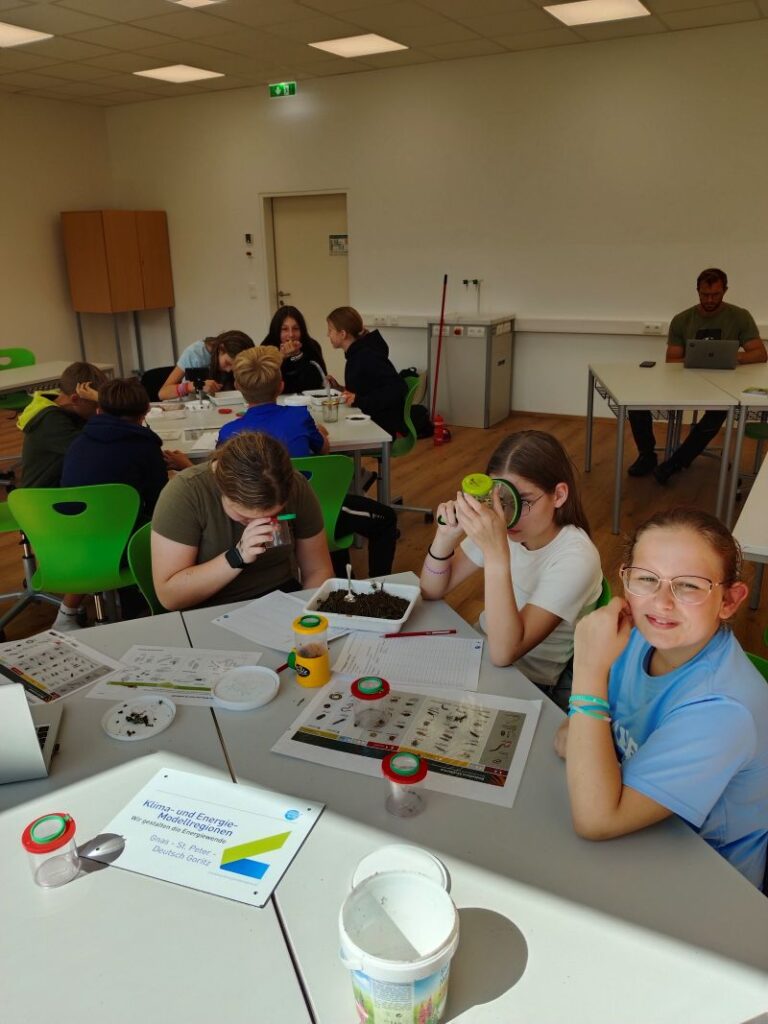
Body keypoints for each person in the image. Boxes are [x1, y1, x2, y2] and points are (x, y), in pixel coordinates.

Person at [554, 507, 768, 888]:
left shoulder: (724, 712)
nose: (662, 602)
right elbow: (565, 736)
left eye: (689, 585)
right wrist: (598, 765)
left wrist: (588, 670)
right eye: (647, 579)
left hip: (706, 879)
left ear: (730, 600)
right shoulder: (637, 636)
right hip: (641, 834)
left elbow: (596, 819)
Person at [420, 430, 603, 707]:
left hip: (528, 681)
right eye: (502, 498)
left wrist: (496, 553)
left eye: (524, 501)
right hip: (480, 651)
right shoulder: (502, 523)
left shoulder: (576, 558)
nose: (510, 514)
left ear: (559, 495)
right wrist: (445, 536)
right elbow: (432, 590)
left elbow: (505, 652)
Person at [220, 347, 398, 578]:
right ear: (281, 385)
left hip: (258, 527)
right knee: (386, 519)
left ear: (238, 388)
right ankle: (378, 585)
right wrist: (318, 432)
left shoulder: (228, 434)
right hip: (312, 513)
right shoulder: (299, 417)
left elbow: (220, 480)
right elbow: (323, 450)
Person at [151, 431, 333, 610]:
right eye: (245, 517)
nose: (261, 524)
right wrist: (238, 556)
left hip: (280, 599)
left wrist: (307, 616)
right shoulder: (186, 493)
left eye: (274, 514)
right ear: (221, 489)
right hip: (208, 608)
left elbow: (318, 570)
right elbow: (170, 597)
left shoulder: (295, 485)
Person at [627, 268, 766, 483]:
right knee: (636, 402)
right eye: (704, 294)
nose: (709, 299)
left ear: (725, 291)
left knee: (718, 412)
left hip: (725, 383)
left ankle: (676, 462)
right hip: (684, 381)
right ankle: (647, 454)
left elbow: (760, 353)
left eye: (716, 294)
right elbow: (672, 359)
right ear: (698, 291)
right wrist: (697, 360)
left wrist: (730, 357)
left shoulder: (739, 316)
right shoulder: (682, 319)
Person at [61, 377, 190, 526]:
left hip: (73, 533)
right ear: (144, 413)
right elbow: (159, 502)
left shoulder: (77, 443)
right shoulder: (144, 445)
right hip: (124, 534)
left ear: (98, 411)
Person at [19, 361, 108, 488]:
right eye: (96, 404)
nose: (99, 410)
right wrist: (107, 408)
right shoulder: (50, 421)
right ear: (75, 399)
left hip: (63, 488)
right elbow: (93, 450)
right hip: (43, 498)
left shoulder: (72, 409)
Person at [326, 307, 406, 438]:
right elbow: (366, 389)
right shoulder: (356, 355)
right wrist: (340, 389)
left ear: (342, 334)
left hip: (379, 427)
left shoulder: (367, 356)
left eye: (330, 330)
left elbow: (398, 388)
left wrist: (359, 400)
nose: (328, 334)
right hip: (368, 419)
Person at [158, 331, 254, 400]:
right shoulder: (196, 353)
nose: (229, 370)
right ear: (221, 349)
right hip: (191, 409)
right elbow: (163, 393)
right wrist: (193, 386)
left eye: (234, 367)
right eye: (227, 363)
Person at [261, 306, 327, 394]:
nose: (291, 334)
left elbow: (318, 382)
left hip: (306, 399)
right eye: (284, 329)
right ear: (276, 330)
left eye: (295, 329)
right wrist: (280, 357)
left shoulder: (311, 345)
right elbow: (262, 384)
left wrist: (298, 356)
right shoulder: (266, 347)